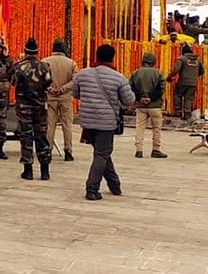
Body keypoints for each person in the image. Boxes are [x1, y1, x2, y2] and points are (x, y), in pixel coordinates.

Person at [73, 43, 135, 201]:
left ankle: (115, 185)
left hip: (87, 120)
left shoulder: (82, 74)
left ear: (96, 55)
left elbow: (76, 93)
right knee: (102, 154)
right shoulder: (118, 77)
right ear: (112, 57)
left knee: (102, 153)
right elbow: (129, 101)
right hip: (106, 122)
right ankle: (92, 188)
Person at [11, 38, 53, 180]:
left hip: (24, 108)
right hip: (41, 107)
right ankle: (45, 170)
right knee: (41, 136)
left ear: (25, 51)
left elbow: (12, 82)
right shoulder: (45, 66)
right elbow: (48, 82)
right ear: (37, 51)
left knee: (26, 136)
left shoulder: (19, 67)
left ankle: (28, 170)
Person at [42, 39, 78, 162]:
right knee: (67, 124)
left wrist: (50, 89)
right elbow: (75, 81)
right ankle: (68, 150)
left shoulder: (45, 62)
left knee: (50, 125)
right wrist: (63, 89)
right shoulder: (71, 63)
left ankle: (48, 150)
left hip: (50, 97)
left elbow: (41, 79)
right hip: (66, 98)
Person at [129, 52, 166, 159]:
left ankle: (139, 150)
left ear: (143, 61)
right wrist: (151, 98)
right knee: (156, 128)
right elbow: (161, 88)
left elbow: (131, 88)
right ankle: (156, 149)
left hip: (140, 106)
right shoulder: (158, 73)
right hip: (155, 105)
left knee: (140, 127)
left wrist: (140, 97)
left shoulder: (135, 73)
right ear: (153, 62)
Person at [168, 45, 203, 119]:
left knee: (178, 95)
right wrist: (194, 76)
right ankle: (187, 114)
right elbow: (202, 71)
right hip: (193, 83)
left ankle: (178, 112)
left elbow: (175, 70)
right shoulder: (197, 60)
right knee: (189, 98)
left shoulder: (182, 59)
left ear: (183, 52)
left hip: (183, 81)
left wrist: (169, 77)